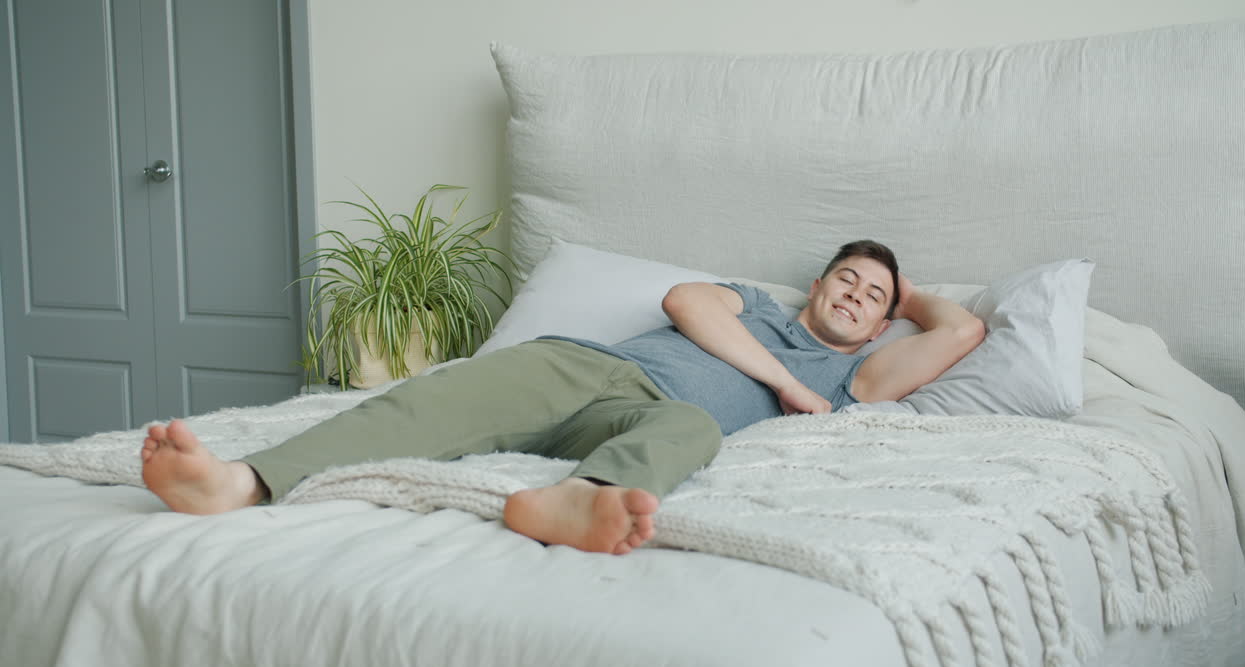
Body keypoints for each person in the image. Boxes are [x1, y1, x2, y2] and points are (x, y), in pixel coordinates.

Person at [140, 240, 984, 555]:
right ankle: (241, 482)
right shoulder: (755, 307)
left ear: (877, 328)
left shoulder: (857, 376)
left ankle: (570, 504)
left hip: (651, 416)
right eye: (847, 278)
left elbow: (961, 335)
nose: (854, 295)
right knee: (429, 403)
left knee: (690, 429)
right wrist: (786, 381)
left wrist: (905, 298)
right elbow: (683, 305)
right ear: (816, 282)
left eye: (870, 297)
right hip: (589, 368)